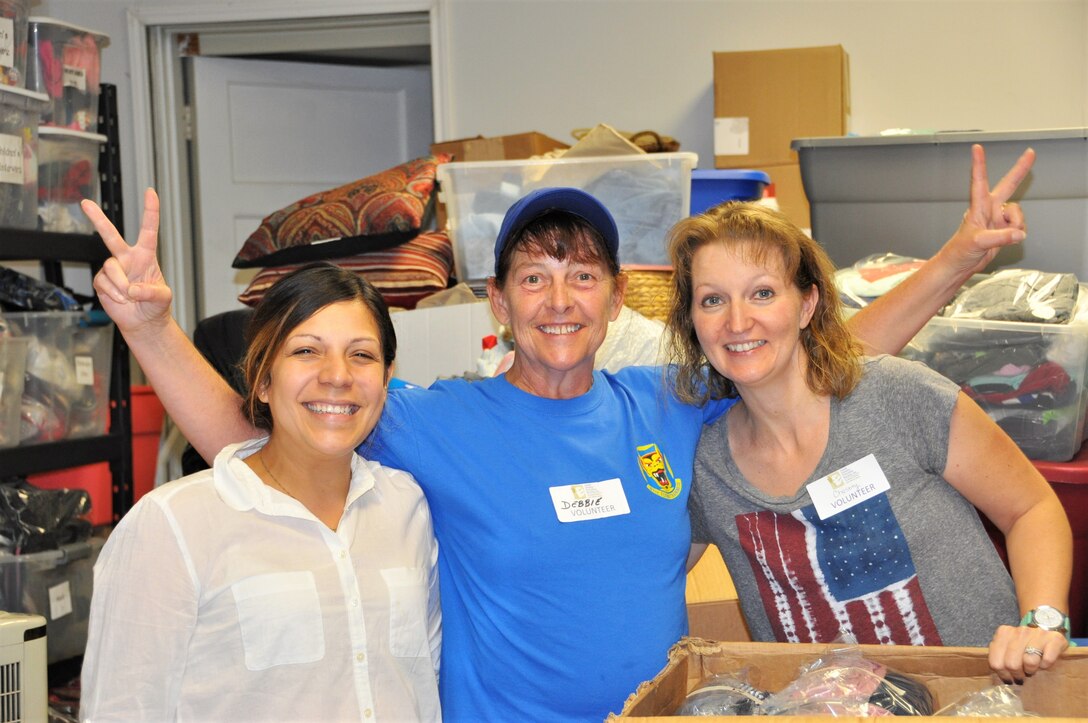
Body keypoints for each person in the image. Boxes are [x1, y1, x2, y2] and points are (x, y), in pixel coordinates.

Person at [82, 144, 1034, 721]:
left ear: (620, 296)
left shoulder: (663, 400)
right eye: (534, 275)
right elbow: (261, 438)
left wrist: (955, 262)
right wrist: (150, 326)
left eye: (583, 274)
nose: (560, 298)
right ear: (498, 301)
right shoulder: (435, 419)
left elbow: (802, 353)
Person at [664, 197, 1073, 687]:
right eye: (712, 300)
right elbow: (646, 579)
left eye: (763, 293)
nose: (736, 321)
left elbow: (1031, 508)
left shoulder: (897, 395)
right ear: (692, 320)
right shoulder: (703, 465)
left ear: (807, 304)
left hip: (992, 697)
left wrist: (1042, 620)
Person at [79, 264, 441, 721]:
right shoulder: (173, 525)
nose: (337, 375)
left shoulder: (406, 507)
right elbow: (122, 710)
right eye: (307, 350)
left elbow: (423, 687)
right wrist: (150, 328)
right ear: (262, 379)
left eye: (362, 355)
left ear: (388, 378)